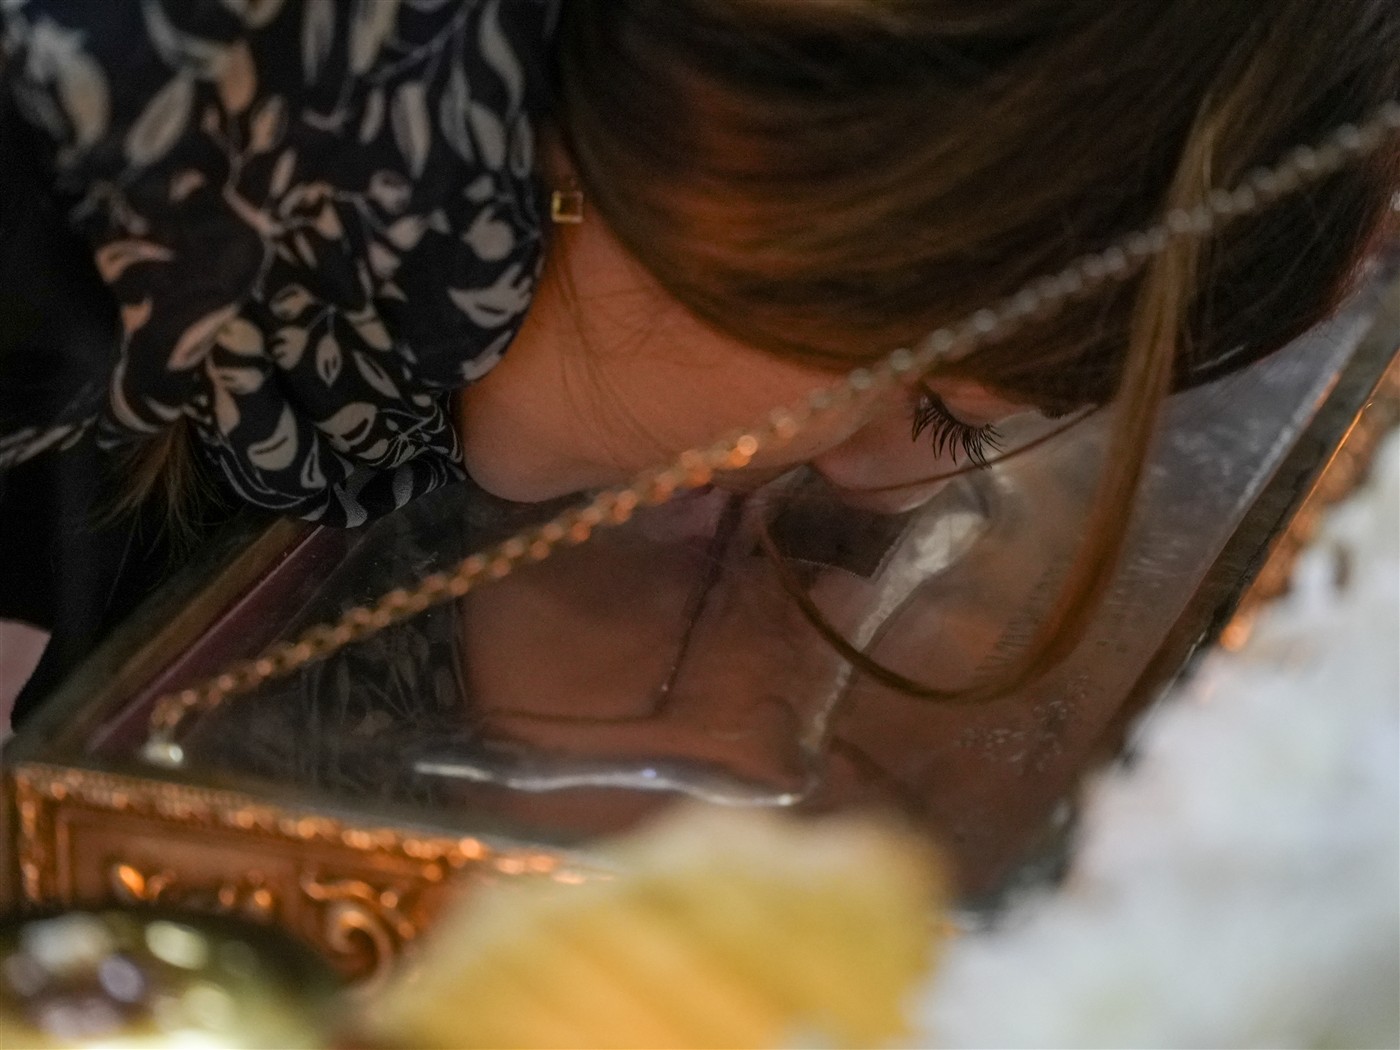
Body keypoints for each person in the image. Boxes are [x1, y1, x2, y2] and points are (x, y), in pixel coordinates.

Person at [0, 0, 1396, 724]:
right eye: (932, 402)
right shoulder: (58, 184)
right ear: (754, 136)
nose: (874, 487)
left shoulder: (280, 314)